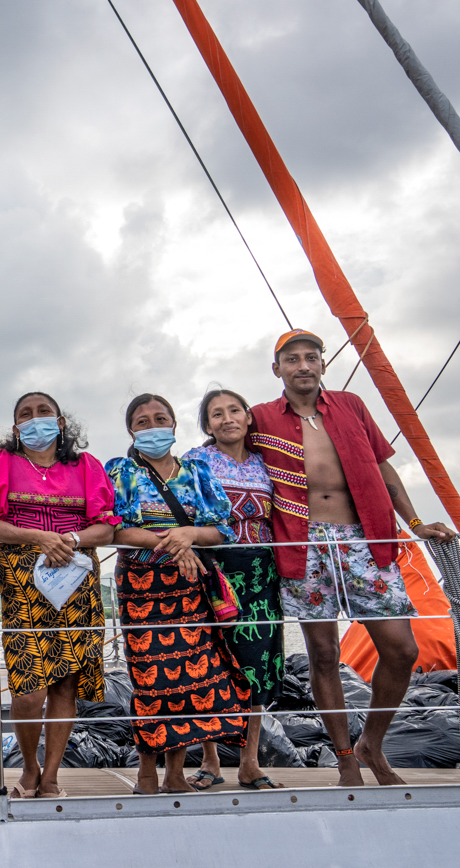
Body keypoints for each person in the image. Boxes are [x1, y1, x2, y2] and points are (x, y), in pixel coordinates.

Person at [249, 329, 456, 787]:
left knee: (402, 649)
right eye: (292, 359)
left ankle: (371, 744)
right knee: (323, 654)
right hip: (302, 543)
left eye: (311, 357)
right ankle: (345, 758)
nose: (303, 365)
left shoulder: (351, 405)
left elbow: (382, 466)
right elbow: (226, 455)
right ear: (277, 369)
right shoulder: (260, 417)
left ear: (323, 364)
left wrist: (415, 522)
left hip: (363, 538)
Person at [107, 393, 249, 796]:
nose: (153, 426)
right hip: (142, 586)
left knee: (188, 679)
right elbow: (114, 528)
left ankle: (175, 774)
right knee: (150, 678)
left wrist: (189, 534)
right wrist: (176, 543)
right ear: (131, 430)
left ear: (173, 424)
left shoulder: (197, 471)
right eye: (143, 421)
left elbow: (221, 529)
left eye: (160, 418)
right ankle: (145, 773)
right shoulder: (120, 471)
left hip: (189, 586)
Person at [0, 391, 115, 800]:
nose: (35, 419)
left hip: (76, 583)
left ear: (60, 421)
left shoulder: (87, 466)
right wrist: (40, 537)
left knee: (65, 684)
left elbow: (106, 528)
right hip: (22, 585)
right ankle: (29, 767)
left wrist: (68, 539)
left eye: (44, 412)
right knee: (29, 688)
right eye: (26, 414)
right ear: (15, 426)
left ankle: (51, 776)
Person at [181, 389, 285, 791]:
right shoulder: (196, 461)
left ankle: (249, 762)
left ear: (248, 417)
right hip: (214, 571)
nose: (227, 419)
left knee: (255, 664)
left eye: (234, 410)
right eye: (217, 414)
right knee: (210, 661)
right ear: (208, 425)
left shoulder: (265, 462)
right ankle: (210, 761)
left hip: (260, 571)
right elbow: (184, 514)